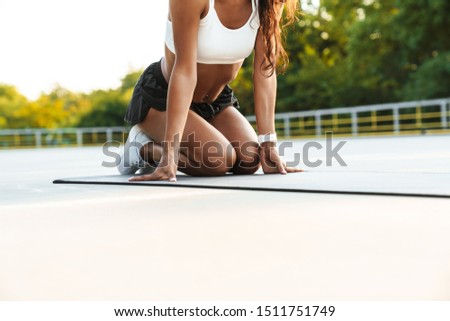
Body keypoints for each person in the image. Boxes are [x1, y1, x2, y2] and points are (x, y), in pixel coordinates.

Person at [118, 0, 302, 182]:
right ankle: (142, 147)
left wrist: (268, 143)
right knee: (218, 160)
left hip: (215, 101)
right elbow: (184, 71)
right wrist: (170, 153)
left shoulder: (267, 3)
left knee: (251, 159)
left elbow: (265, 71)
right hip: (164, 96)